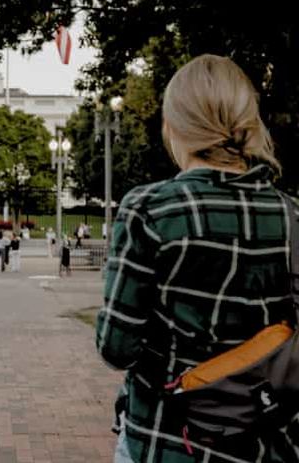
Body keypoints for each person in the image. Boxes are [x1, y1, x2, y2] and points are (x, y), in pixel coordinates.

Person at [96, 54, 298, 462]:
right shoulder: (292, 216)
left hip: (164, 439)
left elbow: (115, 347)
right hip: (262, 443)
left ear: (174, 127)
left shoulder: (151, 210)